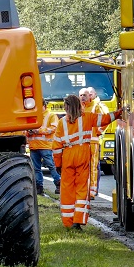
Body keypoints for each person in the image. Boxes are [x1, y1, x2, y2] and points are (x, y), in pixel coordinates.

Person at [53, 94, 119, 230]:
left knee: (67, 189)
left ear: (66, 107)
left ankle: (68, 221)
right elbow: (105, 119)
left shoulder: (62, 123)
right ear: (79, 105)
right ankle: (78, 220)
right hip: (83, 153)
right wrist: (118, 113)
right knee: (82, 188)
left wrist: (58, 164)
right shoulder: (88, 117)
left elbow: (57, 147)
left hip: (68, 155)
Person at [79, 86, 109, 200]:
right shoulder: (80, 108)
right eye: (81, 95)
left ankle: (92, 191)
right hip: (81, 142)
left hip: (93, 141)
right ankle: (84, 191)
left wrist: (97, 132)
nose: (83, 97)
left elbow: (105, 120)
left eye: (86, 95)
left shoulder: (96, 106)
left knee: (93, 167)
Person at [27, 109, 60, 195]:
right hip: (34, 146)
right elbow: (24, 130)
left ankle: (58, 183)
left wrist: (38, 131)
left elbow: (54, 128)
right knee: (36, 168)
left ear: (43, 106)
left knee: (51, 166)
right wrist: (28, 132)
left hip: (45, 146)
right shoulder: (32, 116)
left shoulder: (51, 115)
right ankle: (39, 187)